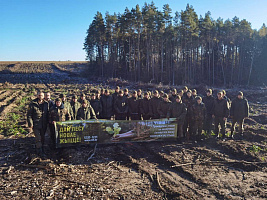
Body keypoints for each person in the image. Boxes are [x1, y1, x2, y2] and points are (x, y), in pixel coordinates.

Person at [27, 91, 49, 155]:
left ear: (43, 96)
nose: (40, 97)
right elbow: (29, 115)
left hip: (43, 124)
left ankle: (42, 149)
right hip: (36, 124)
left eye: (42, 95)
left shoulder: (46, 104)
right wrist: (30, 123)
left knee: (42, 138)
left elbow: (48, 113)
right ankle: (39, 151)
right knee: (38, 138)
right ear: (37, 96)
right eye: (39, 95)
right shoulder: (32, 104)